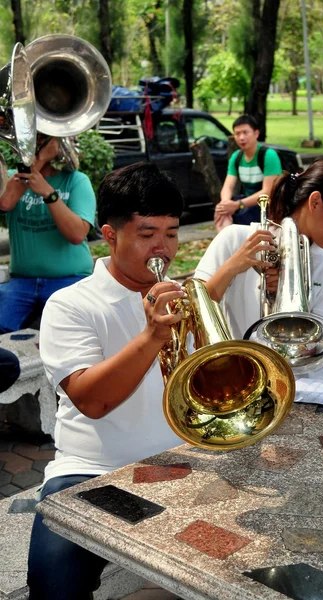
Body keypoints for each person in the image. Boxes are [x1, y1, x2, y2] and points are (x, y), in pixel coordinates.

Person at [27, 162, 185, 600]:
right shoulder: (71, 304)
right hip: (94, 472)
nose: (163, 249)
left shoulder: (182, 297)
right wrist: (153, 335)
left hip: (180, 466)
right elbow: (92, 400)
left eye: (171, 233)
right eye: (147, 234)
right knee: (53, 588)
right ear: (110, 235)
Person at [196, 159, 323, 380]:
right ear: (315, 202)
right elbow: (193, 310)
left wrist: (285, 297)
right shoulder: (234, 239)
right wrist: (233, 266)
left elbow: (321, 348)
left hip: (311, 383)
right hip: (241, 378)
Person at [0, 135, 96, 333]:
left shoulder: (76, 181)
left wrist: (48, 194)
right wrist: (38, 161)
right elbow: (5, 203)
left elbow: (77, 234)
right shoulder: (14, 177)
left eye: (44, 138)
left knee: (67, 332)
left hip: (70, 278)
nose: (37, 142)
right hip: (21, 281)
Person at [214, 115, 282, 232]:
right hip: (247, 204)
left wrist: (237, 205)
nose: (241, 138)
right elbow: (227, 186)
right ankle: (228, 243)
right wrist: (225, 205)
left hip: (267, 206)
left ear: (256, 133)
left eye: (245, 133)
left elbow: (267, 192)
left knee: (242, 215)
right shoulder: (236, 157)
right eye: (237, 134)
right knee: (221, 212)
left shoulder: (268, 155)